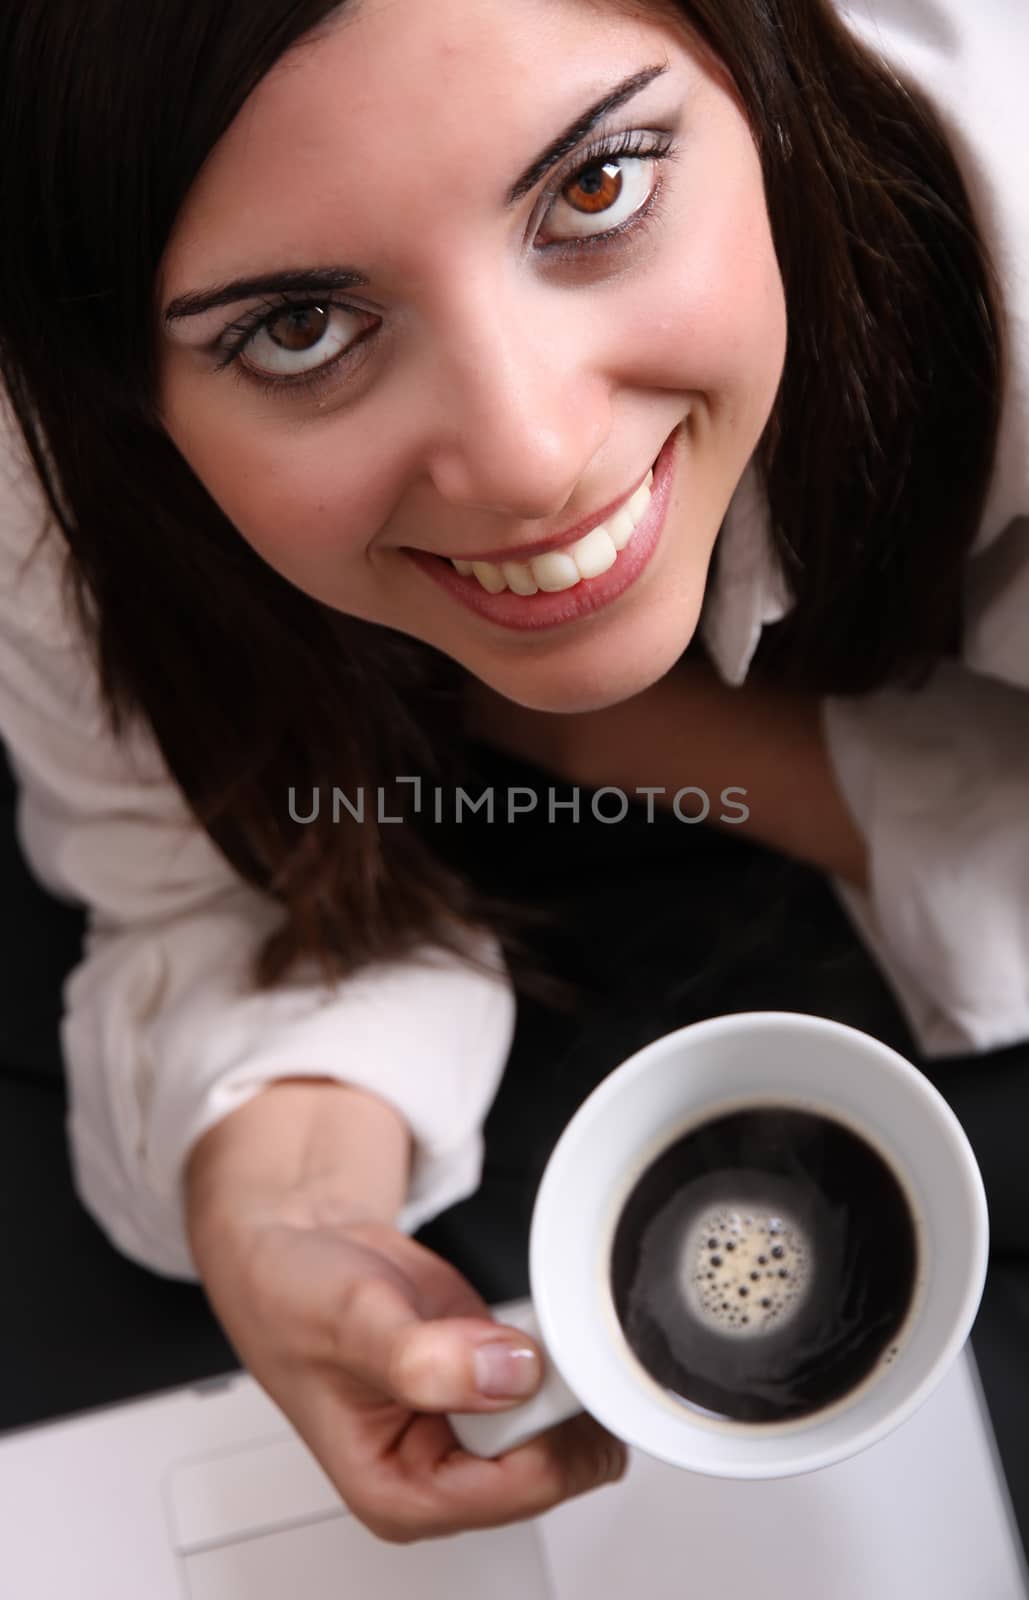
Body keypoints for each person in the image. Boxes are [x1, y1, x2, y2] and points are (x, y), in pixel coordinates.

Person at [0, 0, 1025, 1548]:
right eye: (299, 327)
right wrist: (282, 1209)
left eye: (597, 187)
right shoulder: (53, 484)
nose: (531, 454)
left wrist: (609, 735)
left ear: (760, 58)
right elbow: (187, 885)